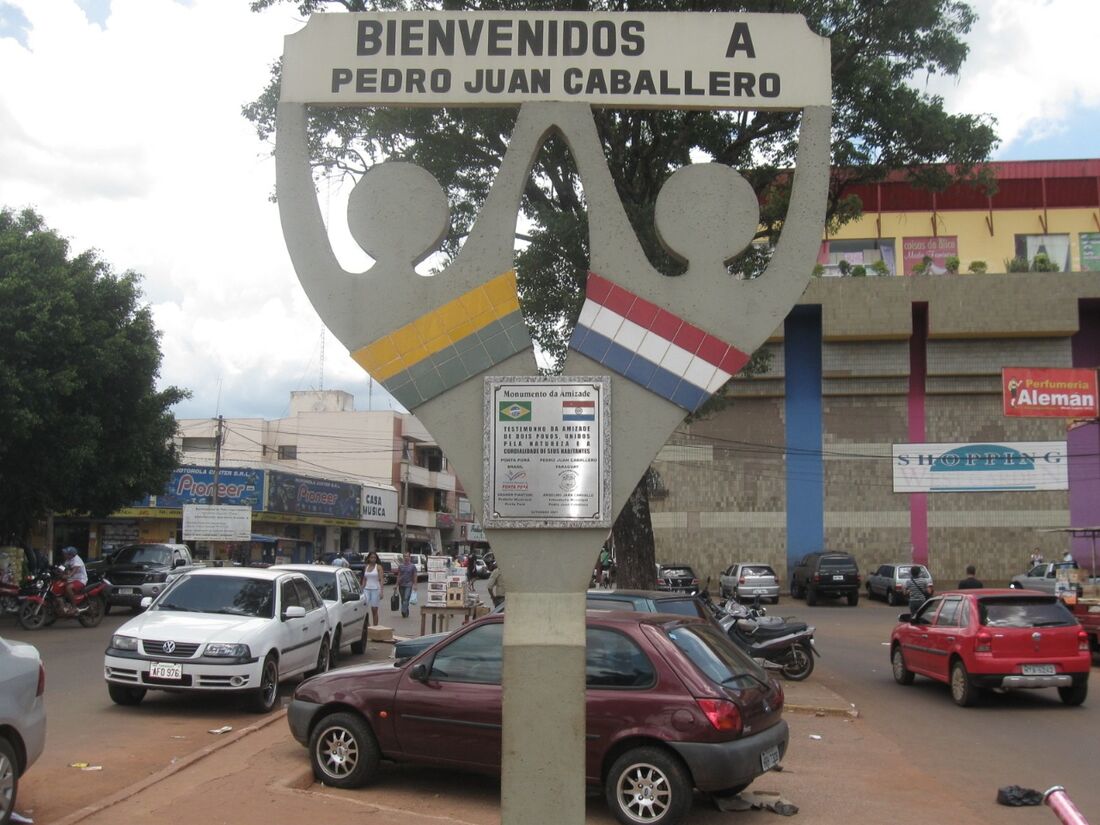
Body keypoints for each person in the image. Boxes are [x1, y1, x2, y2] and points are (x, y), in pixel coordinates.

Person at [60, 546, 88, 614]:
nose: (64, 555)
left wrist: (67, 575)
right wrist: (57, 570)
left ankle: (74, 607)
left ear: (71, 555)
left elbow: (73, 572)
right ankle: (65, 604)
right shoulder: (68, 560)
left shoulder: (77, 560)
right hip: (72, 580)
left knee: (68, 588)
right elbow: (62, 568)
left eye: (66, 553)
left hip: (80, 580)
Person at [360, 551, 383, 626]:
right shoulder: (366, 566)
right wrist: (361, 588)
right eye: (371, 557)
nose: (373, 559)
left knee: (374, 609)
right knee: (364, 607)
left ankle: (375, 627)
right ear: (369, 558)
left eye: (374, 557)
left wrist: (381, 591)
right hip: (366, 589)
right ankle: (368, 625)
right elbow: (364, 579)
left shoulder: (378, 567)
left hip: (375, 589)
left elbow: (381, 579)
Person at [395, 551, 418, 618]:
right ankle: (406, 610)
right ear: (403, 557)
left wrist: (415, 585)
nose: (406, 557)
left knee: (406, 598)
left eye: (407, 556)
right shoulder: (401, 566)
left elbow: (415, 575)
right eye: (404, 556)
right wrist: (396, 585)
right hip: (401, 584)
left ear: (409, 557)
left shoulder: (412, 566)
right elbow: (399, 575)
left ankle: (403, 610)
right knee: (403, 599)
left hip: (409, 584)